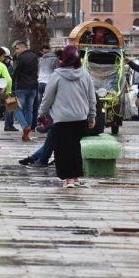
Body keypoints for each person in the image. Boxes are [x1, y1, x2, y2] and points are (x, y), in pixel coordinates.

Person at [38, 45, 96, 188]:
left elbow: (47, 98)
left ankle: (66, 178)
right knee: (75, 146)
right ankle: (75, 176)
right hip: (80, 118)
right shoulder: (85, 74)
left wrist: (41, 113)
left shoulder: (56, 76)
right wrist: (92, 115)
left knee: (62, 148)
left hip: (62, 119)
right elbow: (91, 97)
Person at [11, 41, 39, 141]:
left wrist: (11, 86)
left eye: (17, 49)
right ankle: (27, 131)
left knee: (15, 108)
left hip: (22, 86)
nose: (16, 51)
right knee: (29, 109)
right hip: (33, 87)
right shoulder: (34, 56)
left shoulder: (21, 58)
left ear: (23, 48)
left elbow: (16, 72)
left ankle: (24, 127)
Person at [35, 44, 58, 128]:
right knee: (49, 104)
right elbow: (57, 71)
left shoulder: (40, 60)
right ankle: (49, 122)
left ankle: (40, 122)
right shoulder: (56, 59)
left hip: (40, 83)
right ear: (50, 50)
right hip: (49, 84)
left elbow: (38, 72)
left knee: (41, 103)